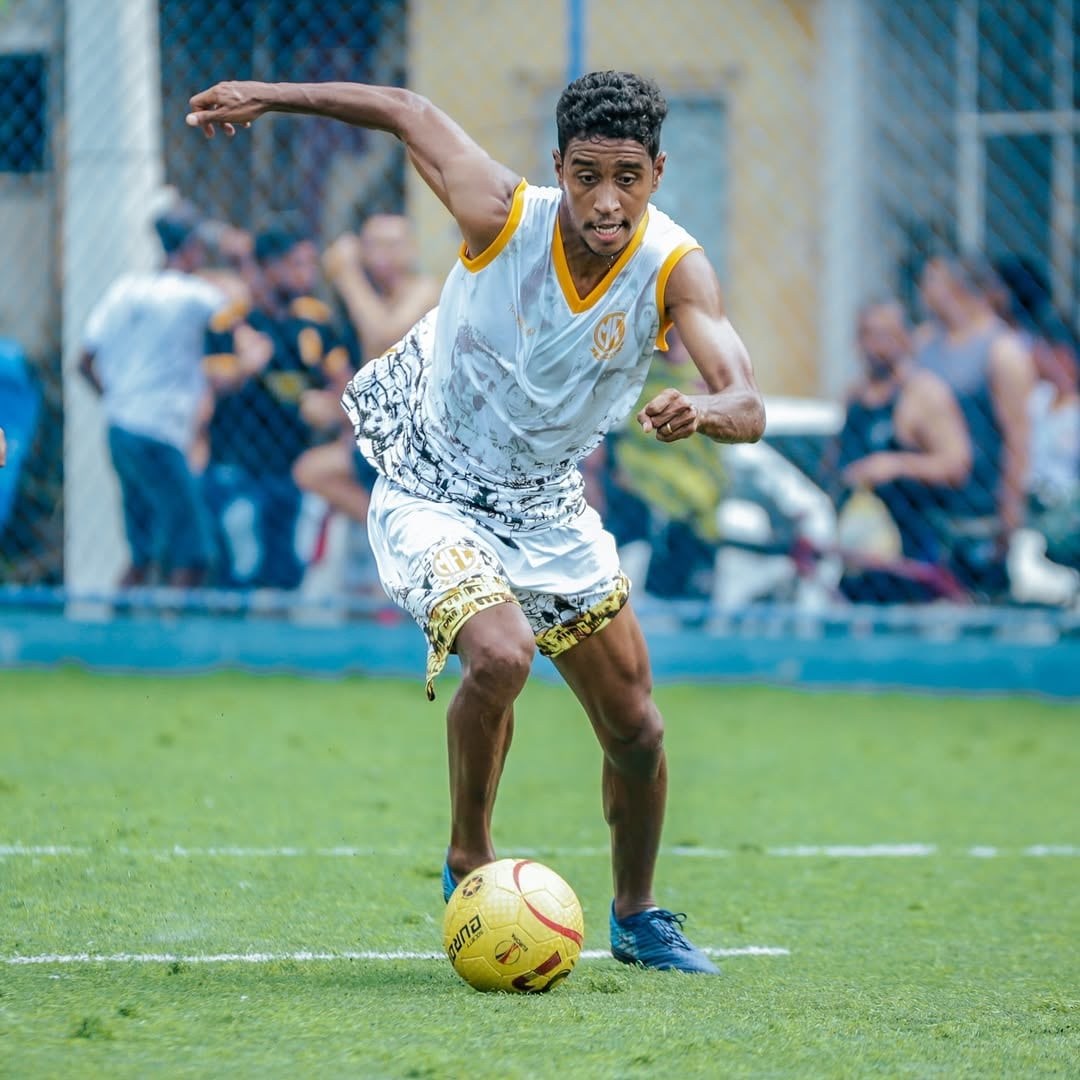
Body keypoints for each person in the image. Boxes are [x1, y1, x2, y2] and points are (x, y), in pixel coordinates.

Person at [188, 69, 765, 975]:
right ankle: (468, 855)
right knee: (500, 655)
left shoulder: (674, 267)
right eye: (586, 175)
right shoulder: (501, 212)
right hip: (430, 479)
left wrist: (704, 409)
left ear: (657, 171)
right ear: (557, 168)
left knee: (638, 730)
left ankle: (639, 913)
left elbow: (747, 400)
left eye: (627, 176)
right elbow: (409, 110)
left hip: (545, 503)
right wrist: (269, 94)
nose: (605, 200)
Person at [78, 202, 224, 587]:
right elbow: (239, 319)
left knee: (142, 549)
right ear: (192, 248)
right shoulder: (197, 295)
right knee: (193, 550)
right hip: (161, 433)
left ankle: (116, 632)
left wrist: (117, 398)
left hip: (121, 427)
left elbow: (84, 361)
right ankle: (172, 636)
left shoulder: (124, 290)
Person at [201, 228, 351, 589]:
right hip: (236, 465)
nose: (308, 274)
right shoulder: (231, 322)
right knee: (242, 561)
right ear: (269, 267)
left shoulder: (316, 321)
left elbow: (346, 387)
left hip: (296, 467)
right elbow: (212, 385)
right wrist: (244, 368)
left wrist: (330, 406)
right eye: (298, 264)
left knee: (291, 568)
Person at [293, 214, 441, 528]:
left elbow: (383, 337)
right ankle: (388, 528)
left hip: (426, 438)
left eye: (393, 245)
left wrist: (348, 275)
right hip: (386, 433)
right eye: (372, 246)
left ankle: (400, 531)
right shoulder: (371, 300)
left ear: (412, 250)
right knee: (310, 470)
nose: (382, 255)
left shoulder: (424, 290)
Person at [830, 299, 972, 602]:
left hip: (911, 553)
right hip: (859, 553)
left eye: (885, 335)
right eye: (867, 334)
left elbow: (956, 464)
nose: (874, 345)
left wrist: (896, 464)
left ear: (906, 339)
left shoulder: (923, 394)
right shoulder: (854, 397)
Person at [915, 253, 1035, 598]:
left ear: (956, 285)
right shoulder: (924, 343)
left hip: (978, 512)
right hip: (927, 509)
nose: (923, 289)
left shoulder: (1001, 350)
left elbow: (1018, 437)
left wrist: (1009, 515)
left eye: (931, 280)